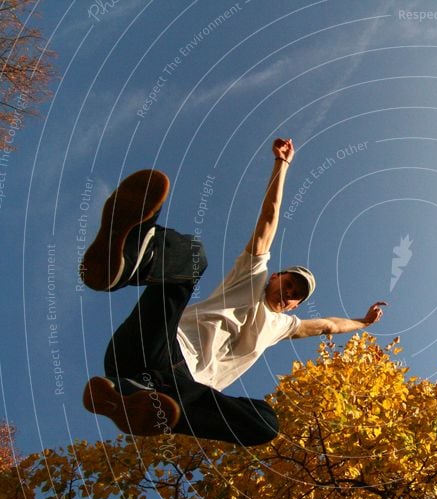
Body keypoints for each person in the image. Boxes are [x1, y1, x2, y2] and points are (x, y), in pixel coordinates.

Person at [81, 138, 386, 446]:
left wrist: (363, 322)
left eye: (295, 295)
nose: (288, 292)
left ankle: (128, 397)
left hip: (171, 389)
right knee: (195, 256)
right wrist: (282, 165)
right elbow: (268, 220)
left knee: (265, 423)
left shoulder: (283, 326)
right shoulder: (251, 277)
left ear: (294, 307)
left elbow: (329, 326)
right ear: (275, 277)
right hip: (153, 344)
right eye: (288, 282)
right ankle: (126, 260)